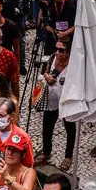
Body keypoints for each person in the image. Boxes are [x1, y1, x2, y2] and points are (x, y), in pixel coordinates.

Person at [35, 37, 75, 172]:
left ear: (69, 52)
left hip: (66, 101)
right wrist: (47, 77)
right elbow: (45, 72)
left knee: (70, 128)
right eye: (56, 49)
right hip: (51, 100)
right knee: (47, 127)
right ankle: (46, 152)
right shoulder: (53, 58)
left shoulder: (74, 65)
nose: (57, 52)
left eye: (61, 50)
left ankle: (68, 156)